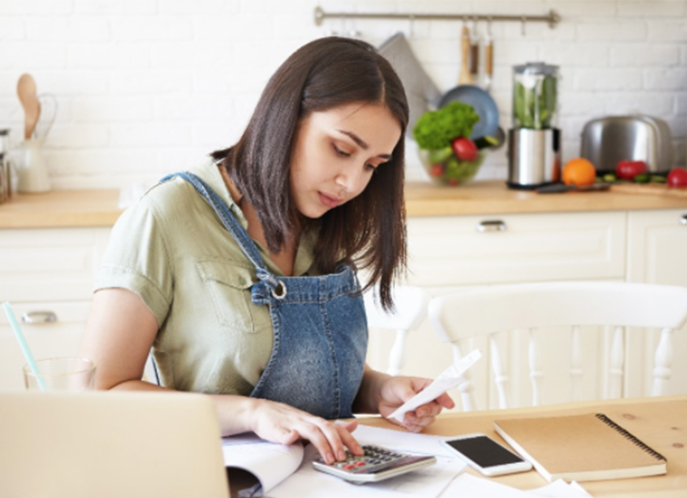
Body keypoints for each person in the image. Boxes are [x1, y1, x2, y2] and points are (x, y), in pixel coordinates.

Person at [80, 37, 454, 465]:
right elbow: (99, 393)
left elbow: (307, 378)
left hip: (328, 482)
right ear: (286, 117)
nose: (351, 183)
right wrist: (250, 413)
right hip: (213, 478)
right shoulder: (165, 216)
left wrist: (379, 389)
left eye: (372, 166)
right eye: (341, 150)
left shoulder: (325, 220)